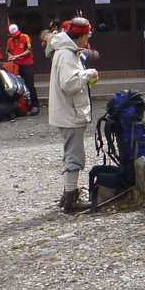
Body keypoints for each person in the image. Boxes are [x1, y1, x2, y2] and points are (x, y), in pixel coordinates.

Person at [49, 16, 101, 213]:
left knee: (72, 152)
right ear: (81, 36)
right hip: (69, 113)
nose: (89, 38)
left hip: (67, 111)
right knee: (74, 155)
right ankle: (71, 198)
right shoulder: (67, 55)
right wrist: (88, 74)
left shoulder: (67, 51)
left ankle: (67, 194)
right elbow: (69, 84)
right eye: (88, 35)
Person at [5, 22, 38, 112]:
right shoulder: (9, 40)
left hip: (27, 64)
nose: (15, 36)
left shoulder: (25, 37)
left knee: (30, 85)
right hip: (16, 66)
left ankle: (35, 105)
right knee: (17, 86)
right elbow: (8, 52)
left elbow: (29, 50)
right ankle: (21, 106)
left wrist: (17, 56)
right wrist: (10, 56)